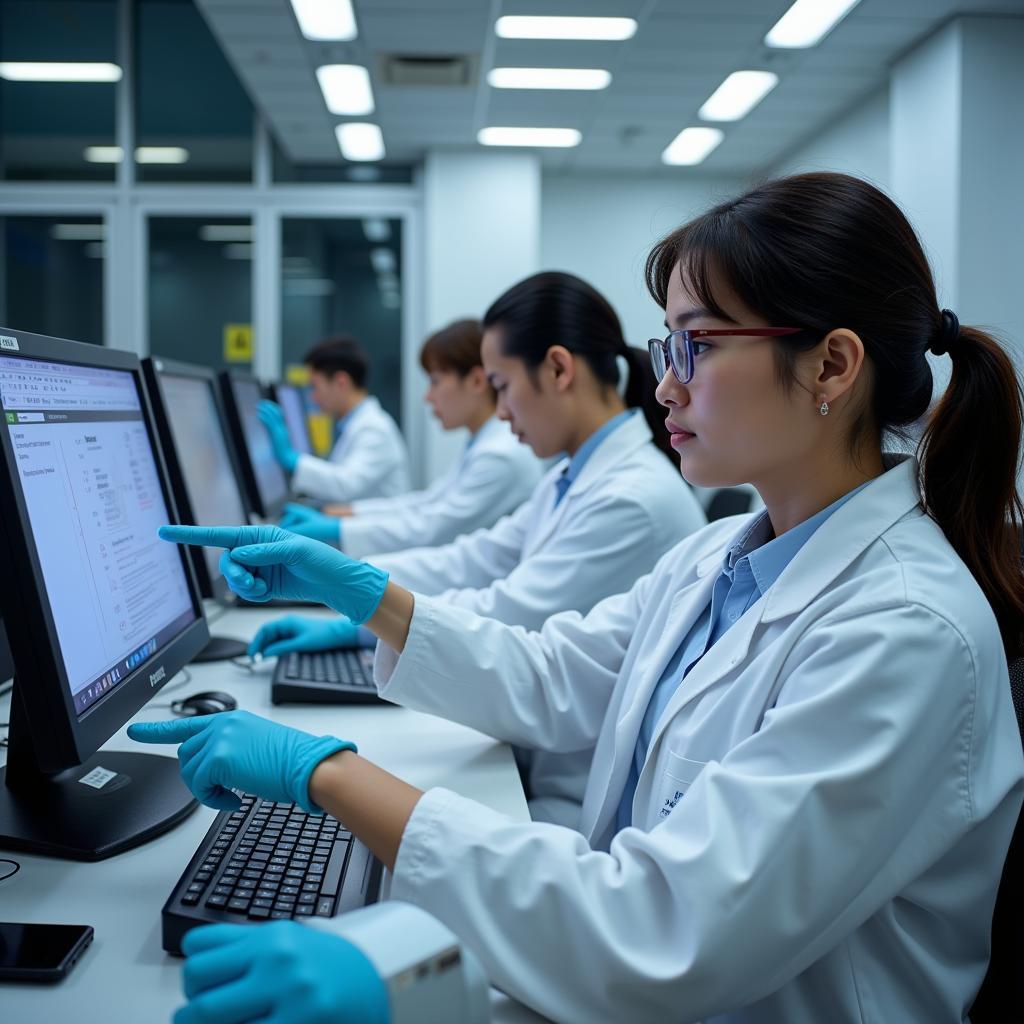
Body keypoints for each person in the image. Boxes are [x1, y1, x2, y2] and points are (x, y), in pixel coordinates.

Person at [135, 173, 1024, 1023]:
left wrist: (327, 774)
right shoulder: (723, 554)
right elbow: (554, 672)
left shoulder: (905, 630)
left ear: (832, 366)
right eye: (666, 345)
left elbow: (663, 931)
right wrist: (366, 595)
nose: (665, 383)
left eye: (700, 346)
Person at [249, 271, 706, 828]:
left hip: (566, 783)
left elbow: (506, 611)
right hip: (537, 743)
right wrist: (347, 582)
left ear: (559, 369)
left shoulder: (631, 500)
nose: (502, 410)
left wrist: (360, 604)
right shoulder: (573, 475)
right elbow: (476, 556)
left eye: (502, 386)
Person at [275, 318, 542, 556]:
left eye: (435, 381)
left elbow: (432, 528)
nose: (428, 396)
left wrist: (339, 528)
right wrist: (342, 520)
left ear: (475, 381)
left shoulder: (498, 456)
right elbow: (428, 504)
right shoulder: (482, 445)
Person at [259, 335, 410, 502]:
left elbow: (345, 486)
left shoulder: (375, 429)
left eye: (314, 386)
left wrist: (291, 459)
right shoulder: (354, 425)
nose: (312, 398)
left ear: (341, 382)